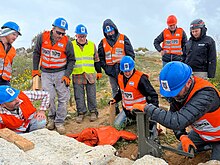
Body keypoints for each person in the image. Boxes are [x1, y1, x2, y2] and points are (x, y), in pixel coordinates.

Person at [132, 61, 220, 160]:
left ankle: (215, 147)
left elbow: (177, 121)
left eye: (176, 92)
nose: (173, 97)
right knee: (182, 148)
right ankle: (209, 146)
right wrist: (182, 136)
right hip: (203, 133)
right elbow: (173, 114)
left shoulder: (206, 95)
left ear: (188, 82)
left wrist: (147, 108)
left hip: (218, 136)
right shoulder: (180, 95)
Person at [32, 17, 75, 134]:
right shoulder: (42, 37)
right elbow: (36, 53)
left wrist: (67, 75)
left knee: (63, 98)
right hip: (45, 72)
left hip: (60, 72)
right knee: (49, 97)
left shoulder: (67, 42)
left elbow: (72, 60)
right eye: (58, 32)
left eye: (63, 33)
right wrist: (35, 70)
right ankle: (51, 118)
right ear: (53, 29)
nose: (60, 35)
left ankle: (59, 121)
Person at [110, 56, 159, 129]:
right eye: (125, 71)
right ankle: (131, 120)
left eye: (129, 70)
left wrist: (154, 112)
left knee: (144, 129)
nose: (127, 73)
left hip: (140, 111)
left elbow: (152, 95)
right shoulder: (120, 77)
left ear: (133, 67)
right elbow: (122, 92)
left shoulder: (141, 79)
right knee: (116, 126)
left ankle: (141, 120)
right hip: (127, 110)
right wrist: (115, 99)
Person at [98, 19, 135, 115]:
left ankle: (128, 109)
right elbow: (101, 58)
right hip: (111, 71)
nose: (110, 33)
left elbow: (131, 55)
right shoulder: (102, 43)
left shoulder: (123, 38)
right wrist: (106, 69)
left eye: (111, 31)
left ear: (115, 28)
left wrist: (128, 69)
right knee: (115, 90)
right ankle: (117, 110)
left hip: (123, 70)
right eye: (107, 32)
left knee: (126, 90)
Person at [72, 24, 101, 123]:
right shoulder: (71, 45)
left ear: (86, 36)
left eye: (83, 36)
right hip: (77, 74)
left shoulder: (92, 45)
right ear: (76, 36)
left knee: (91, 94)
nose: (82, 38)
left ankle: (93, 111)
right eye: (80, 36)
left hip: (90, 75)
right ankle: (81, 113)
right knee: (79, 95)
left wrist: (99, 71)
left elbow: (96, 60)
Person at [0, 21, 21, 86]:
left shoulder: (13, 50)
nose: (15, 38)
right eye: (14, 34)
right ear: (6, 32)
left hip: (5, 82)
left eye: (17, 36)